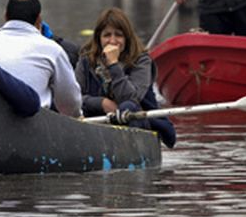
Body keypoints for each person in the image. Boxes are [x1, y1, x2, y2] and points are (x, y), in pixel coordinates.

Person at [74, 8, 177, 148]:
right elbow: (75, 97)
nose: (113, 41)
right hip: (98, 123)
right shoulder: (86, 60)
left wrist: (113, 64)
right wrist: (102, 103)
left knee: (127, 106)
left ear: (126, 38)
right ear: (99, 38)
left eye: (118, 35)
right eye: (107, 35)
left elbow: (130, 98)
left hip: (136, 121)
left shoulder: (142, 61)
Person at [0, 0, 82, 117]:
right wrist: (77, 116)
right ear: (39, 20)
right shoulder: (52, 49)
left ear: (5, 16)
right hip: (35, 125)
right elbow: (70, 103)